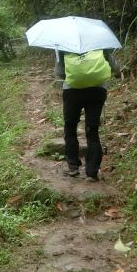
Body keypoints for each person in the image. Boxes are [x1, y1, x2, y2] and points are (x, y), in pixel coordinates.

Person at [55, 48, 120, 181]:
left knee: (70, 126)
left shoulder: (65, 46)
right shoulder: (99, 42)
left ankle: (73, 166)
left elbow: (60, 73)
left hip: (72, 91)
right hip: (97, 90)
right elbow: (115, 67)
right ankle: (92, 172)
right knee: (92, 129)